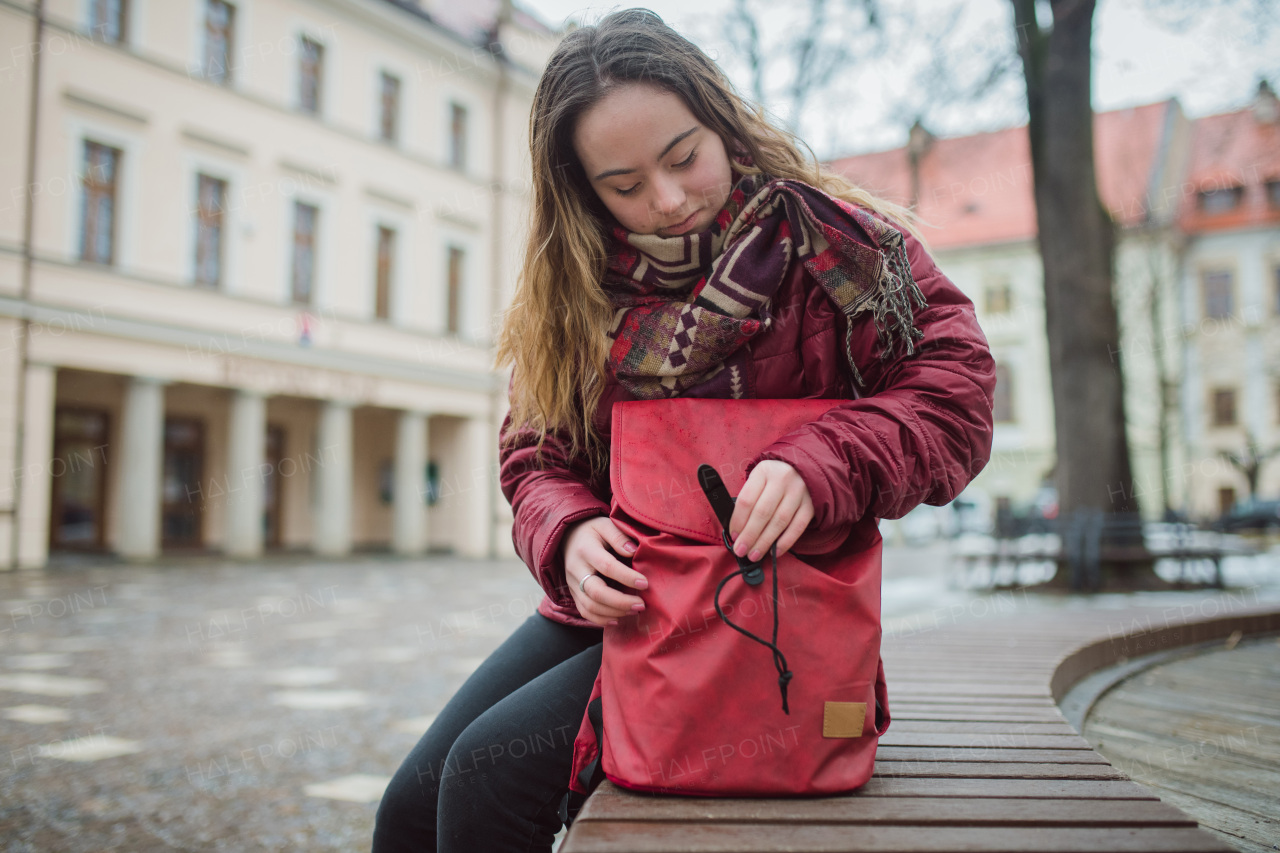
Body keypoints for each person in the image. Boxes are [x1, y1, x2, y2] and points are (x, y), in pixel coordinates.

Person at [373, 8, 995, 852]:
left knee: (487, 779)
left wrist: (826, 461)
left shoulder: (837, 248)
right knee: (405, 813)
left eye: (683, 157)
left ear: (721, 121)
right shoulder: (574, 287)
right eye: (623, 185)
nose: (666, 201)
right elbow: (535, 454)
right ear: (582, 190)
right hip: (616, 601)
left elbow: (957, 395)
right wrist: (569, 530)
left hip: (761, 616)